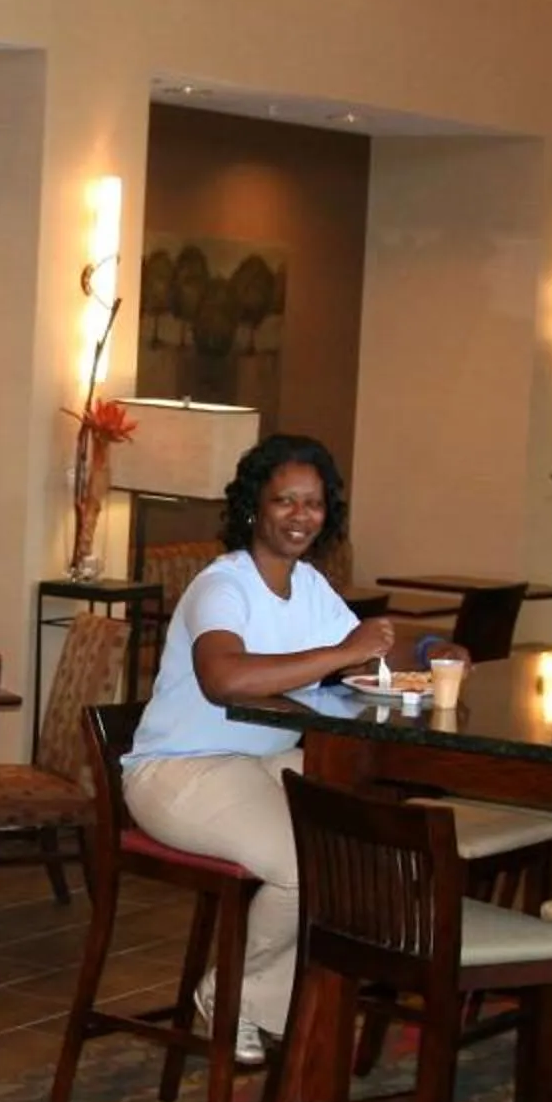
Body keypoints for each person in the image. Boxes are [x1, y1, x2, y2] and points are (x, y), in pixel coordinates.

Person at [120, 433, 403, 1063]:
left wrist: (436, 653)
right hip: (180, 772)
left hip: (260, 765)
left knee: (370, 837)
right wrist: (342, 653)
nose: (301, 516)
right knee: (306, 867)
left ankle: (292, 995)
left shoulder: (307, 585)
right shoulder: (222, 586)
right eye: (285, 501)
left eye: (314, 503)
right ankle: (234, 999)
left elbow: (370, 646)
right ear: (255, 507)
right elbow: (226, 678)